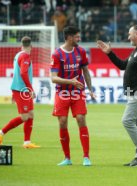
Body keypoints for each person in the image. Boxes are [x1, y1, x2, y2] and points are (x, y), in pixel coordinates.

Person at [97, 25, 137, 167]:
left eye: (129, 34)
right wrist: (109, 53)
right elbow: (122, 65)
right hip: (136, 92)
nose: (128, 37)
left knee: (127, 121)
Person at [50, 26, 95, 166]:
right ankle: (67, 158)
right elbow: (53, 78)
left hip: (77, 92)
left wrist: (90, 89)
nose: (79, 39)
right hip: (62, 92)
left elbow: (86, 71)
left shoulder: (80, 51)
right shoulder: (57, 54)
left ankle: (86, 157)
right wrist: (71, 82)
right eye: (77, 36)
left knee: (81, 119)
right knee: (62, 122)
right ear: (69, 37)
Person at [0, 36, 40, 149]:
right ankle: (1, 132)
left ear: (21, 45)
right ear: (31, 46)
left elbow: (16, 73)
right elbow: (23, 73)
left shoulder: (18, 55)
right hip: (22, 90)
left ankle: (27, 142)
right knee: (25, 117)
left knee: (30, 114)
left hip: (20, 89)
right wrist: (30, 90)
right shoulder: (25, 56)